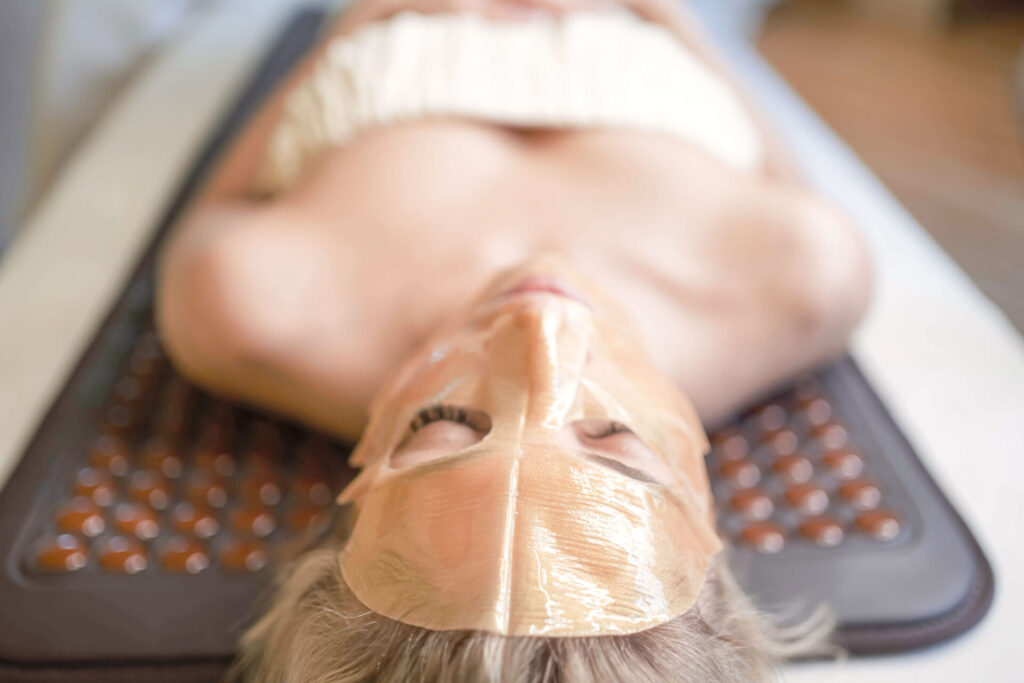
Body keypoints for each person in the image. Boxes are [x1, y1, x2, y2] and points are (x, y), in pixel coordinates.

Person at [156, 0, 870, 679]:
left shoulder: (252, 310)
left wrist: (363, 19)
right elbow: (774, 171)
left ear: (354, 505)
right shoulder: (808, 280)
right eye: (613, 436)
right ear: (702, 506)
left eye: (448, 428)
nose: (538, 332)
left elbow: (225, 196)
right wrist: (663, 13)